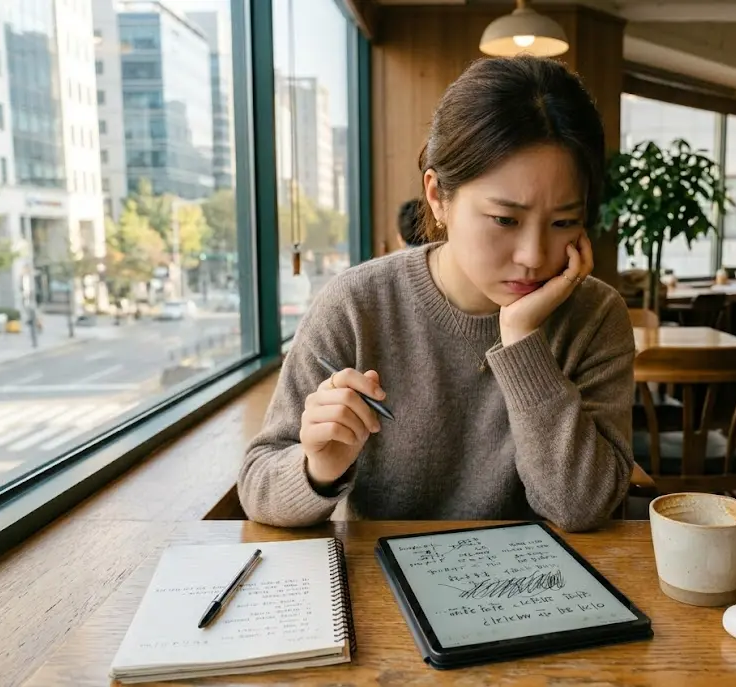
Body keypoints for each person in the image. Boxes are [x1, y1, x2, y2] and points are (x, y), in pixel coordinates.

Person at [238, 56, 636, 533]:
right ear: (437, 196)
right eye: (505, 219)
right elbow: (258, 485)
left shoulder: (595, 315)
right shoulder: (357, 304)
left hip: (539, 575)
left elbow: (582, 507)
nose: (533, 255)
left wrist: (522, 339)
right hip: (383, 576)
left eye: (564, 221)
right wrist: (319, 467)